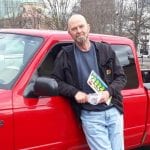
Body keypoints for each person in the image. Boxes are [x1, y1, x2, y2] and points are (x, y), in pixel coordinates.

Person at [51, 14, 127, 150]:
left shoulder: (105, 50)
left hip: (113, 111)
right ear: (69, 33)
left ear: (88, 28)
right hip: (91, 115)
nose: (79, 30)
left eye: (81, 26)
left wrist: (107, 92)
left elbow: (121, 77)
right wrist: (74, 93)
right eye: (74, 28)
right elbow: (56, 81)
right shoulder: (65, 55)